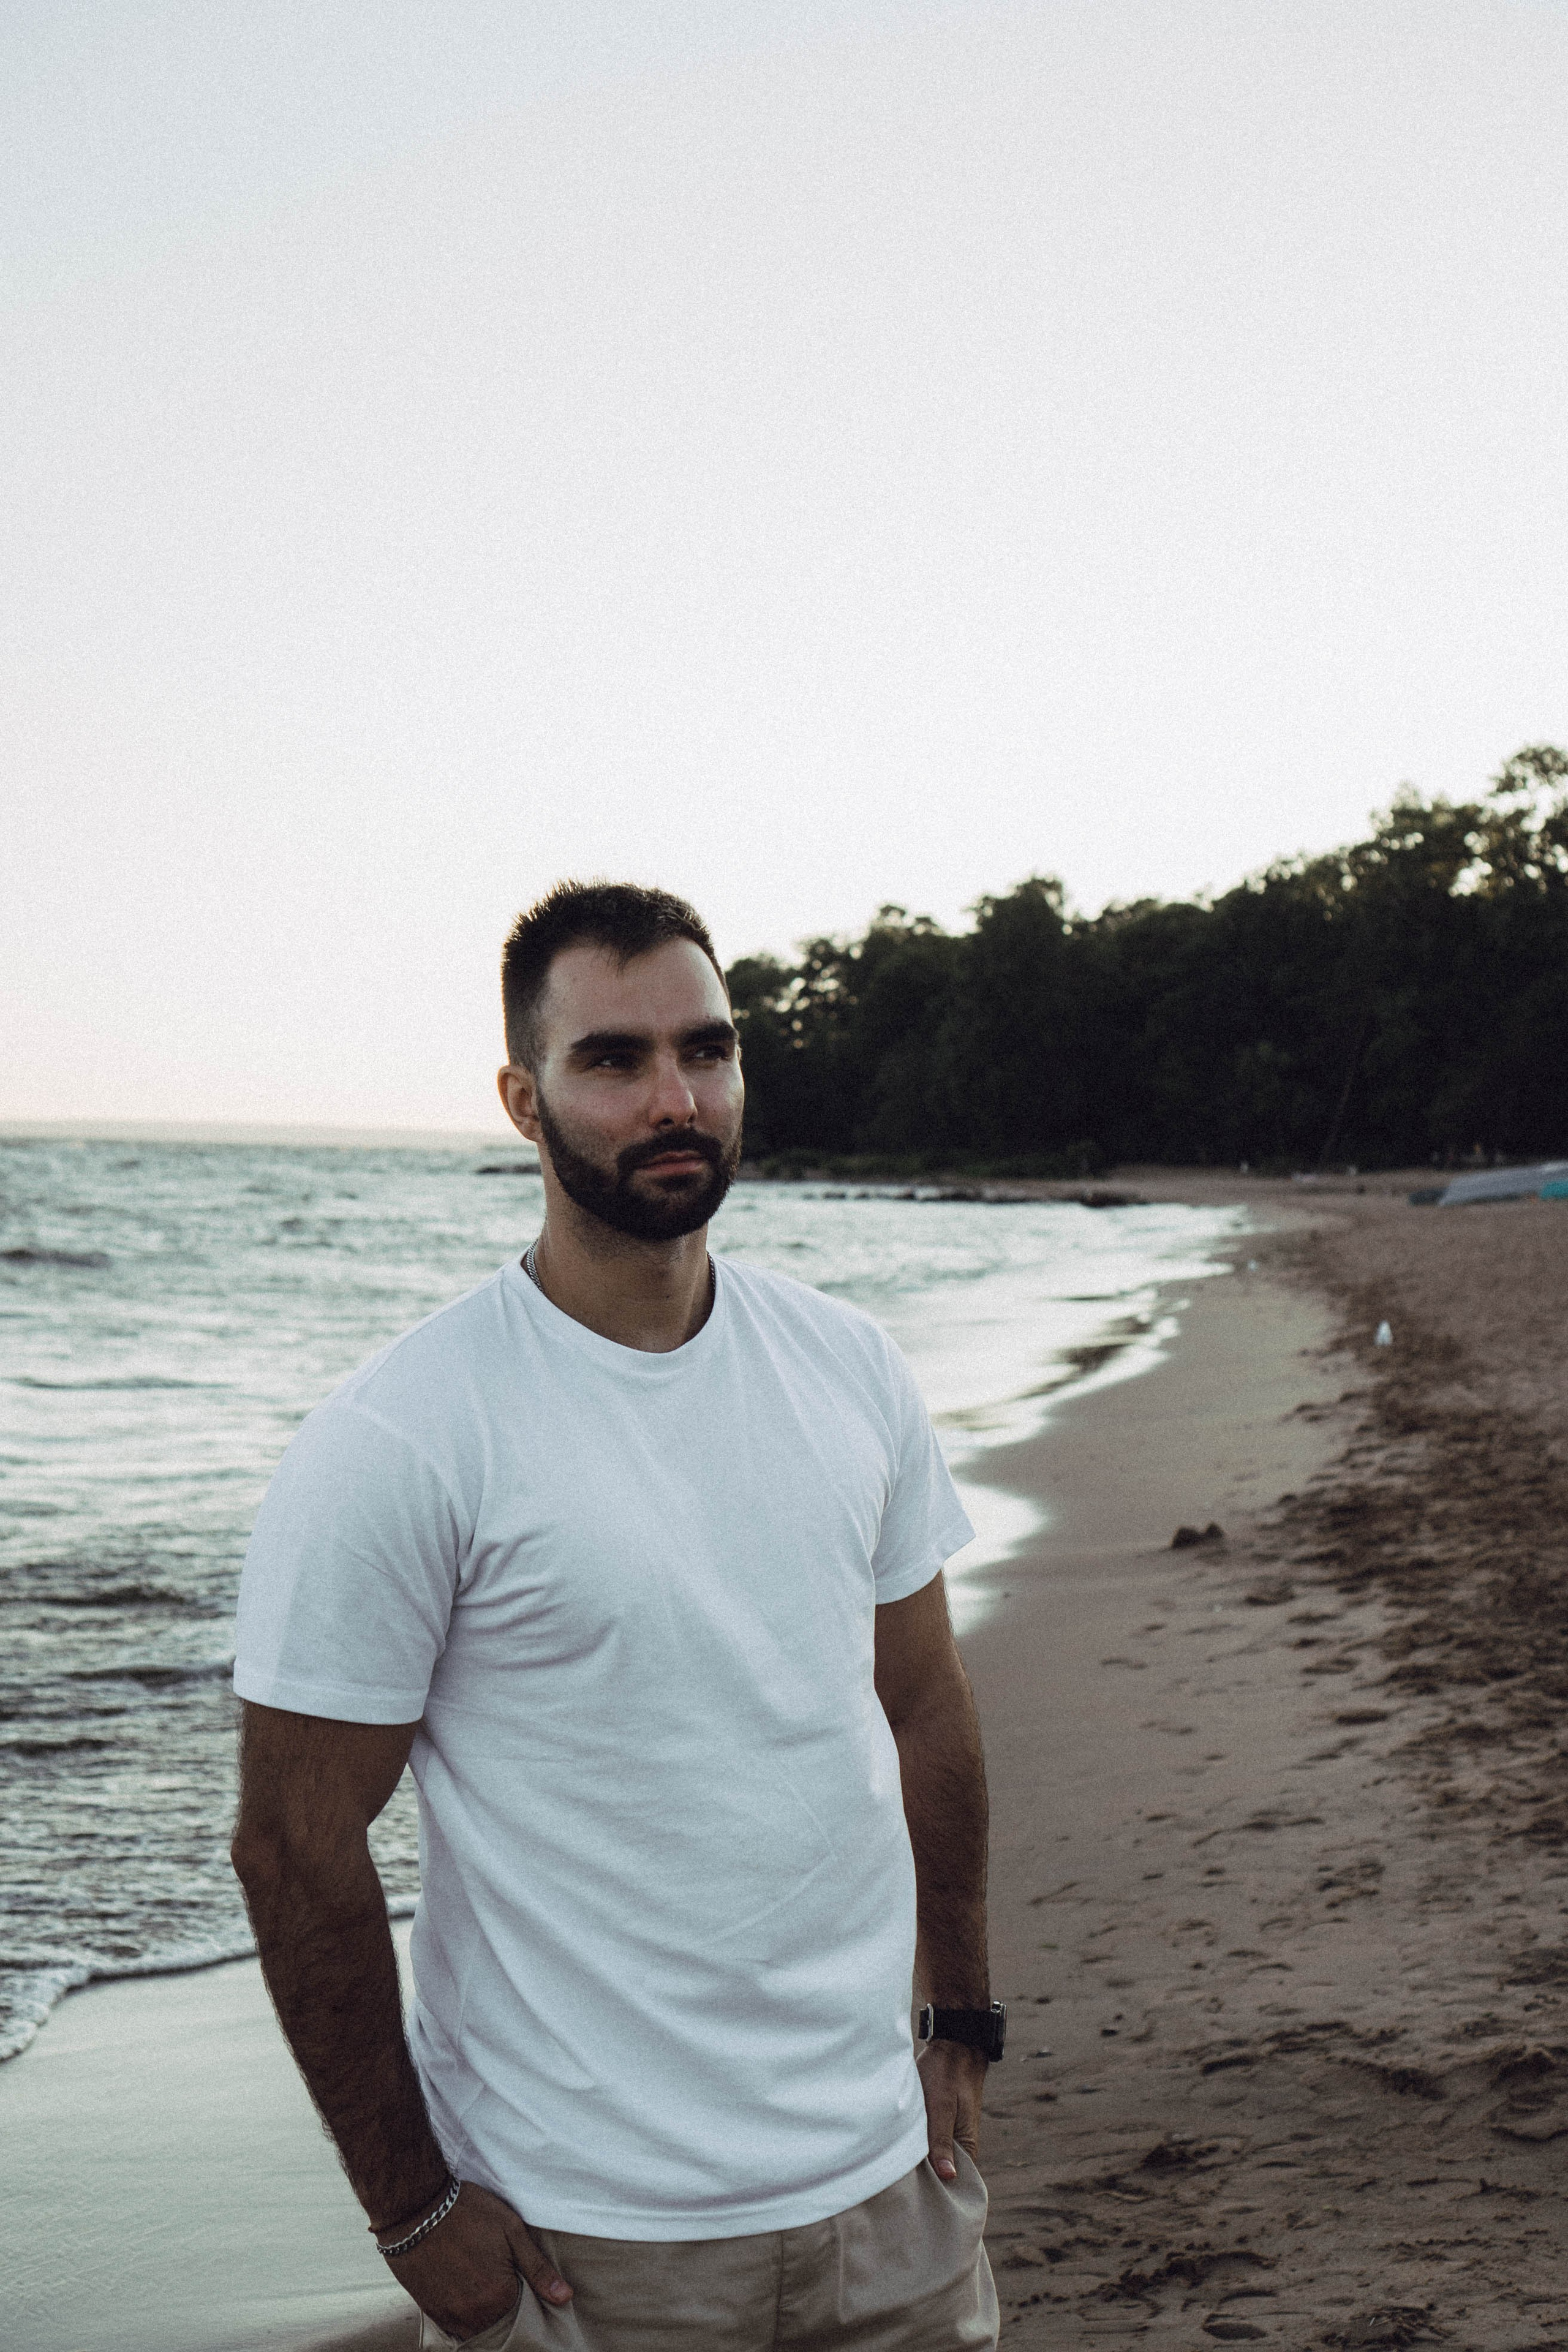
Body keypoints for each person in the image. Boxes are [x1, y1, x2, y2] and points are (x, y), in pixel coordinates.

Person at [231, 881, 1002, 2351]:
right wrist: (408, 2212)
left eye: (704, 1052)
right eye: (613, 1060)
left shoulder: (849, 1370)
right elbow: (292, 1841)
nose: (674, 1098)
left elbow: (922, 1702)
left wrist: (960, 2012)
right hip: (589, 2241)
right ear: (523, 1099)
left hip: (890, 2192)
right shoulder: (408, 1433)